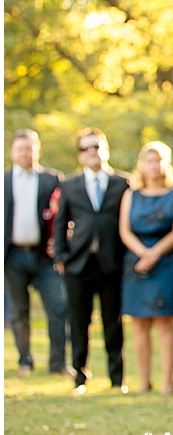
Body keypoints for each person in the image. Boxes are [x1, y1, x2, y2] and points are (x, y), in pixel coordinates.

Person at [54, 128, 129, 394]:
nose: (91, 152)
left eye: (96, 147)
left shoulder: (123, 183)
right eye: (86, 148)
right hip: (78, 264)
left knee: (113, 322)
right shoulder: (69, 185)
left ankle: (117, 379)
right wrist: (61, 257)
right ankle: (80, 377)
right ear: (80, 154)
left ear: (104, 149)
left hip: (111, 263)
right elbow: (60, 223)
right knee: (78, 322)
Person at [119, 141, 173, 394]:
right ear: (142, 164)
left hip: (166, 262)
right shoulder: (131, 195)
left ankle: (168, 381)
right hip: (136, 263)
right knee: (139, 323)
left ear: (165, 164)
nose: (153, 165)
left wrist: (155, 253)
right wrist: (143, 254)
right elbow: (124, 230)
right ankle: (144, 380)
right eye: (149, 160)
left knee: (165, 322)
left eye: (158, 160)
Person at [4, 129, 70, 378]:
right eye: (20, 148)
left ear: (37, 150)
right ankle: (25, 360)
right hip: (13, 255)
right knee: (18, 311)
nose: (25, 153)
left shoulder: (52, 178)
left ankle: (58, 363)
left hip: (45, 257)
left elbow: (62, 216)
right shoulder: (4, 180)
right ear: (12, 151)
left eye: (29, 148)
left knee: (58, 307)